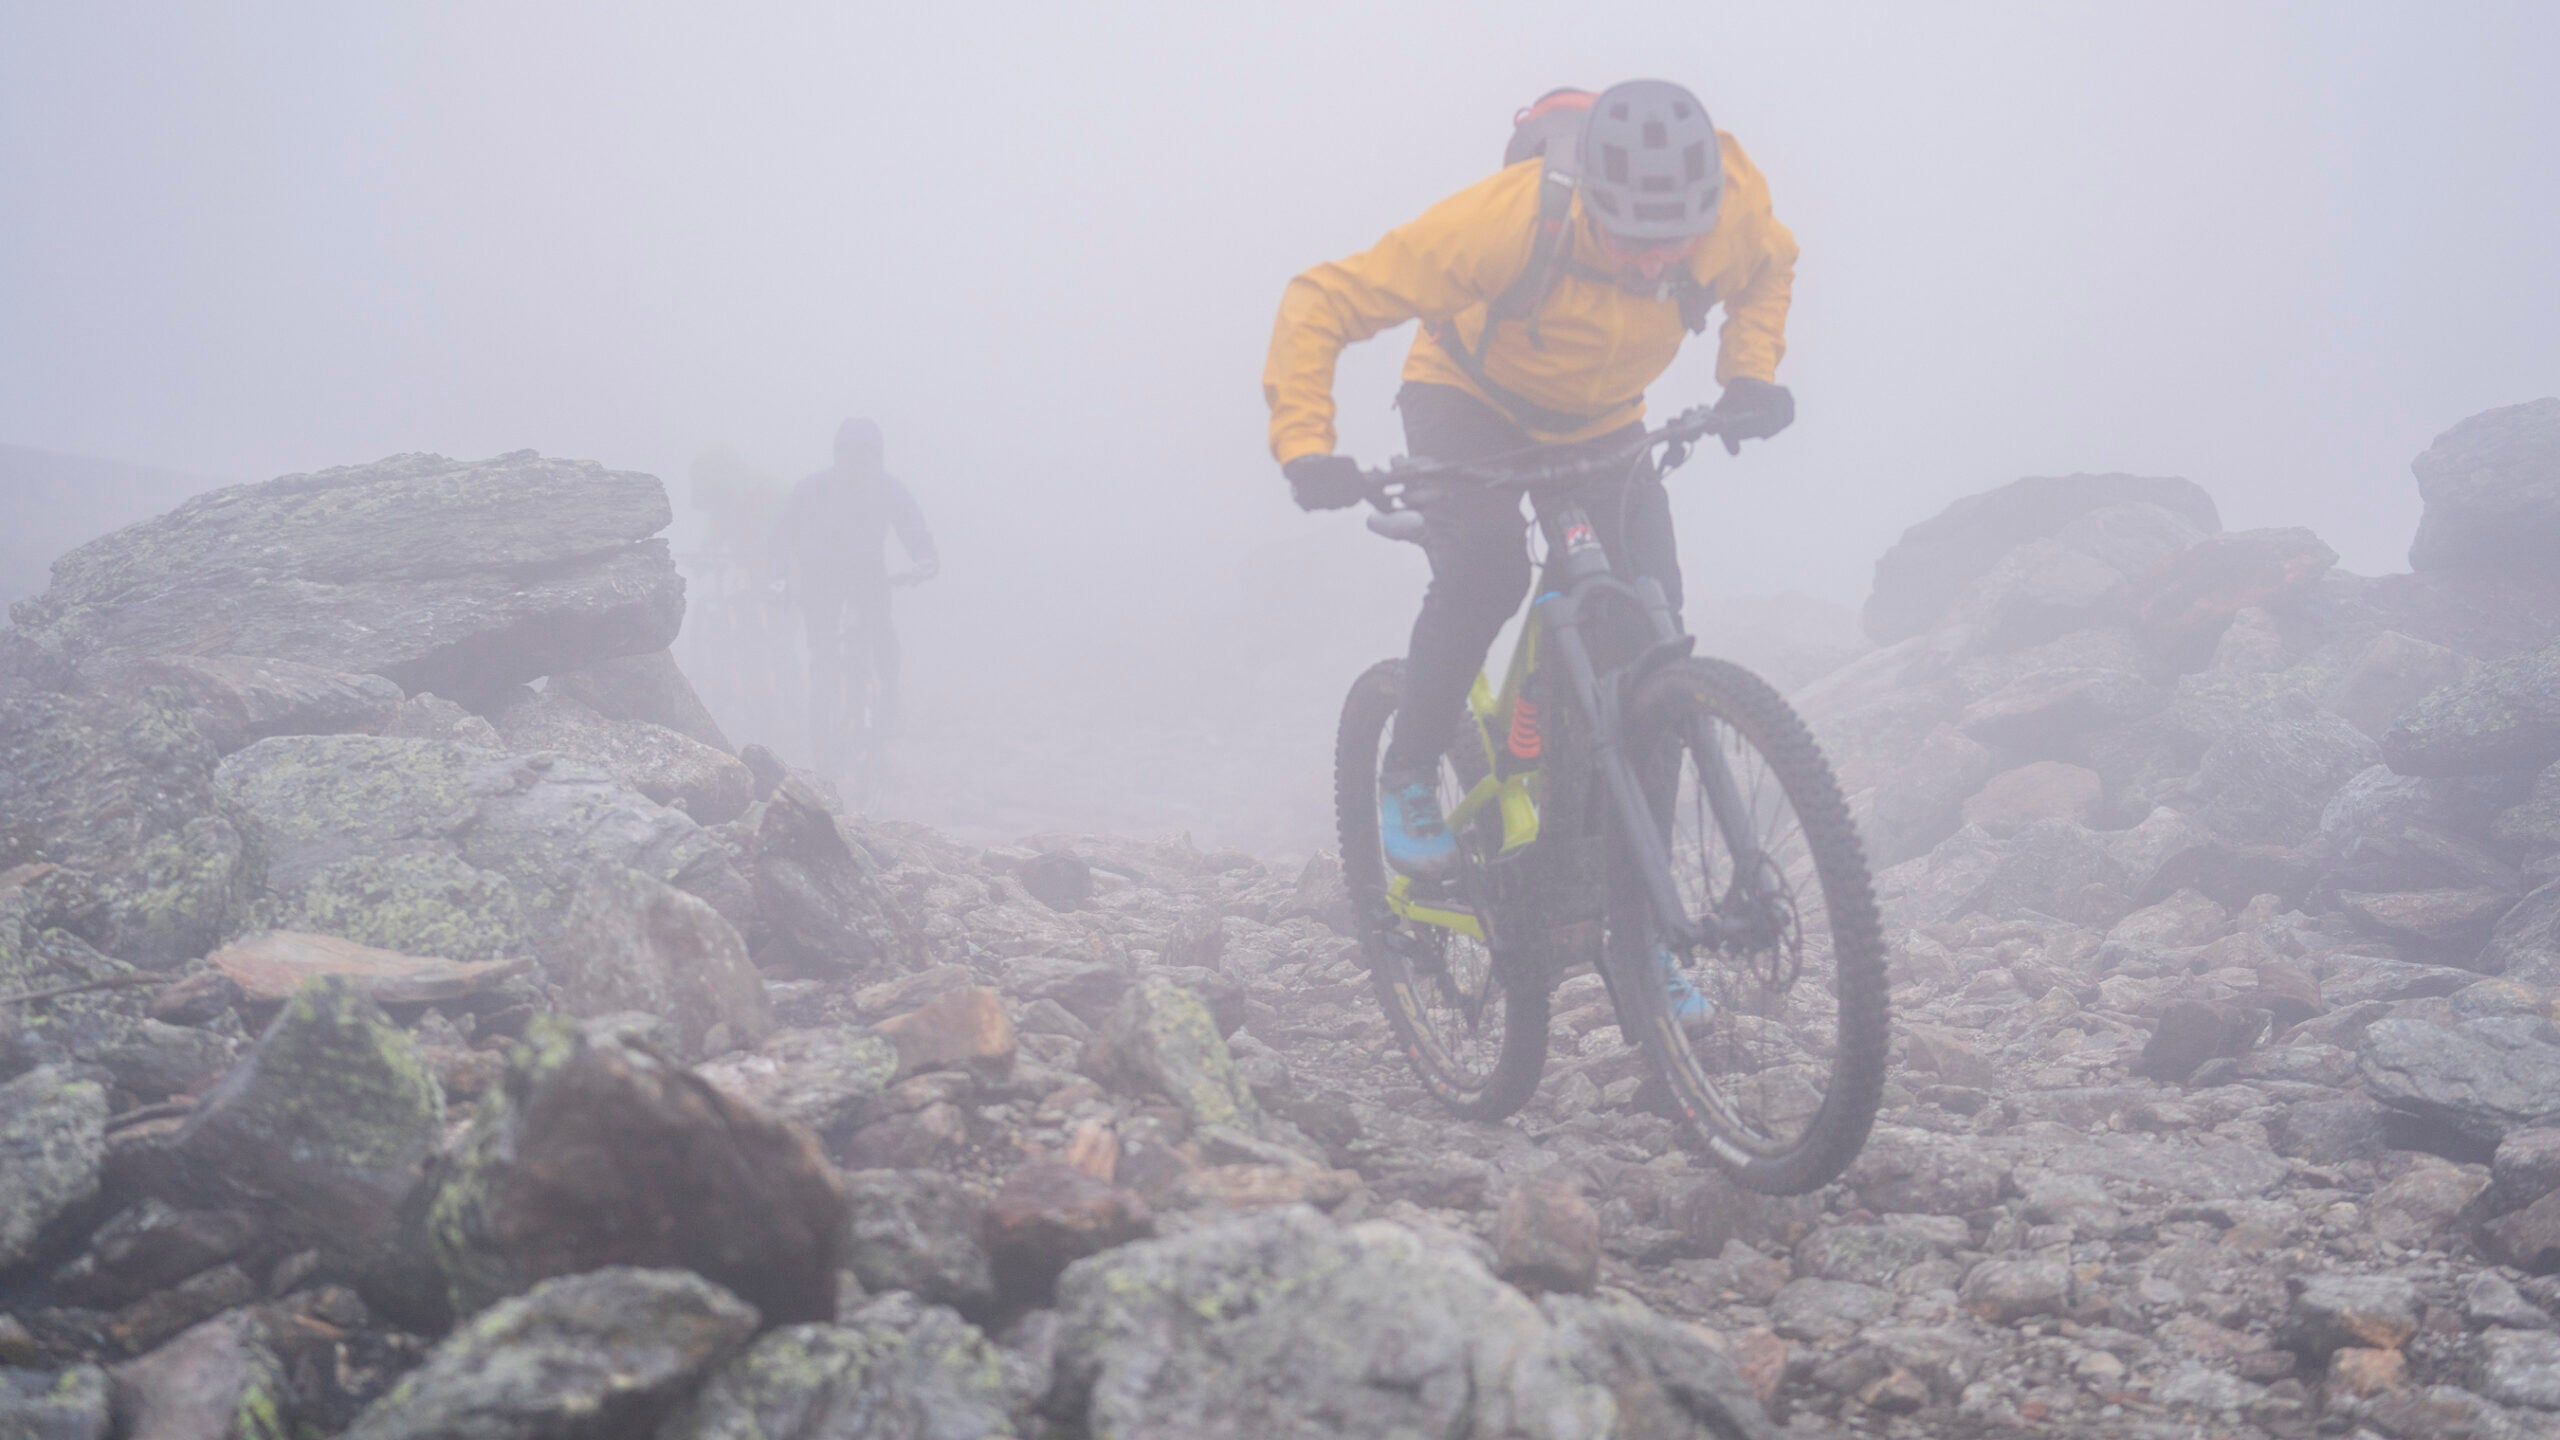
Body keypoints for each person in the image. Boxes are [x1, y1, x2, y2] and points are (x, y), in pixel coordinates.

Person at [1262, 78, 1799, 892]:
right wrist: (1307, 444)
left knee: (1647, 633)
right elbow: (1324, 298)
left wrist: (1749, 374)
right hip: (1469, 399)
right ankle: (1408, 772)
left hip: (1605, 417)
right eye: (1632, 241)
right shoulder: (1511, 221)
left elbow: (1771, 267)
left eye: (1674, 242)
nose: (1656, 261)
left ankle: (1641, 925)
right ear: (1593, 201)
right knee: (1487, 570)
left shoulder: (1732, 213)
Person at [779, 417, 938, 755]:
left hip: (840, 578)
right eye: (850, 454)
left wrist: (925, 556)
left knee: (860, 641)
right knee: (855, 645)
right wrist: (924, 560)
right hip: (842, 578)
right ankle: (881, 704)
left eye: (861, 455)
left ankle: (885, 699)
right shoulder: (875, 486)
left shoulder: (825, 487)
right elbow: (783, 532)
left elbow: (911, 526)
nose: (855, 463)